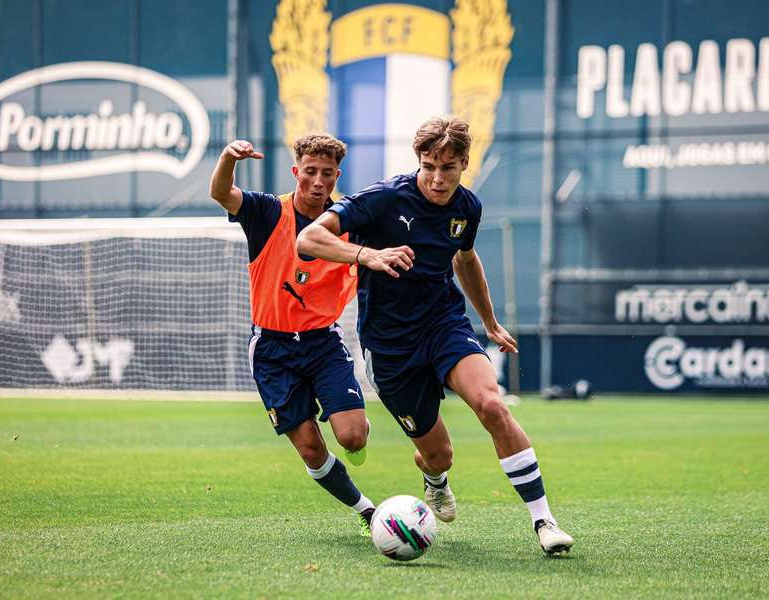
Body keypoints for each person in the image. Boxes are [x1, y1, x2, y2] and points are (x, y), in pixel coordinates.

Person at [296, 117, 574, 554]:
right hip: (390, 347)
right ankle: (435, 478)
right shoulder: (384, 198)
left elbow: (465, 260)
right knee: (439, 455)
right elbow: (308, 239)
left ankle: (544, 521)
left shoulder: (468, 207)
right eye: (429, 166)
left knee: (492, 405)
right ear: (418, 162)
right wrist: (368, 254)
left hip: (444, 325)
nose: (438, 178)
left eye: (449, 167)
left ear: (465, 163)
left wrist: (490, 321)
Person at [210, 134, 376, 533]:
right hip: (272, 348)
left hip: (322, 343)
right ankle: (368, 510)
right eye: (310, 172)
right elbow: (220, 193)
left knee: (352, 438)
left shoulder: (349, 222)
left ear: (337, 175)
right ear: (296, 171)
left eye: (327, 174)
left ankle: (355, 431)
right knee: (312, 450)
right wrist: (229, 158)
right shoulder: (268, 212)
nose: (318, 181)